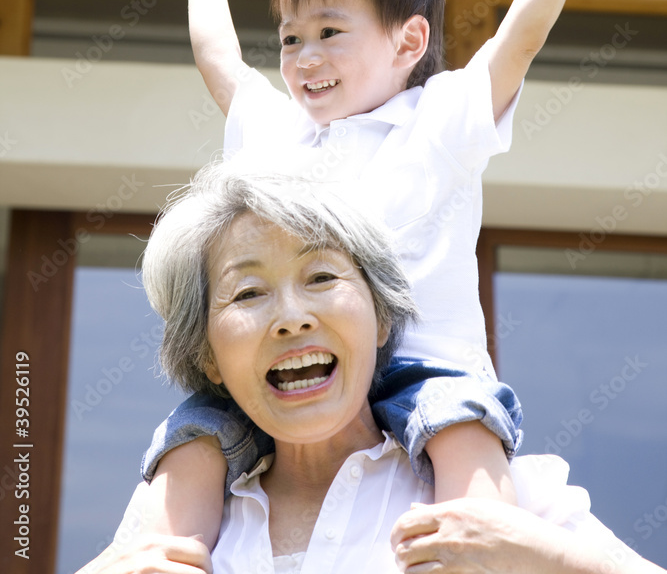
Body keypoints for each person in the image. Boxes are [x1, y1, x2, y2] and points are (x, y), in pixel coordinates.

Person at [140, 0, 617, 548]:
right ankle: (161, 553)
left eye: (329, 33)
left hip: (425, 361)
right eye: (289, 40)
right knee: (195, 431)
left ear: (408, 41)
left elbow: (521, 39)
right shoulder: (281, 137)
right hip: (299, 360)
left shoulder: (437, 122)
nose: (305, 58)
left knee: (461, 425)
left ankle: (479, 548)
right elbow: (217, 57)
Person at [78, 167, 664, 573]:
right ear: (207, 356)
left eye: (322, 278)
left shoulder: (491, 495)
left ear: (381, 318)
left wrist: (538, 556)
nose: (291, 318)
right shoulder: (172, 520)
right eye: (249, 292)